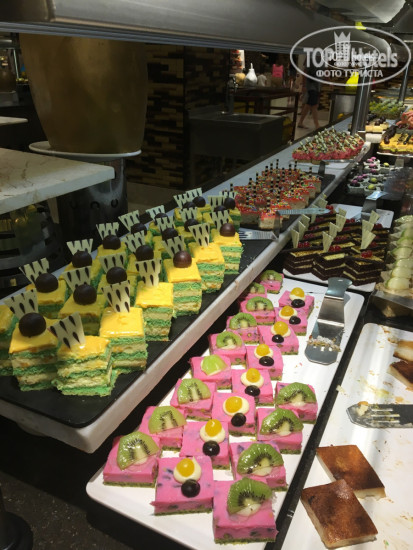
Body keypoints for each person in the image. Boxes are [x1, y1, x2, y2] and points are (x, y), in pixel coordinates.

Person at [297, 63, 320, 129]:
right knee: (314, 105)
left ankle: (300, 122)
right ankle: (317, 125)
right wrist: (304, 85)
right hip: (311, 87)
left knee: (308, 105)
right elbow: (305, 73)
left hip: (315, 86)